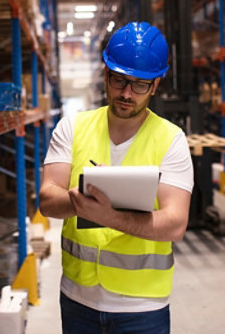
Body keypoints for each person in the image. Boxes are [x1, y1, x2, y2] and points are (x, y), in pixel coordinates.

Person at [40, 21, 194, 334]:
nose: (126, 93)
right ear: (106, 74)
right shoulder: (73, 127)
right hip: (77, 299)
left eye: (139, 85)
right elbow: (47, 200)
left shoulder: (171, 139)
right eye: (118, 81)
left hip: (141, 309)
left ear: (155, 85)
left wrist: (109, 216)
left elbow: (176, 223)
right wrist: (76, 201)